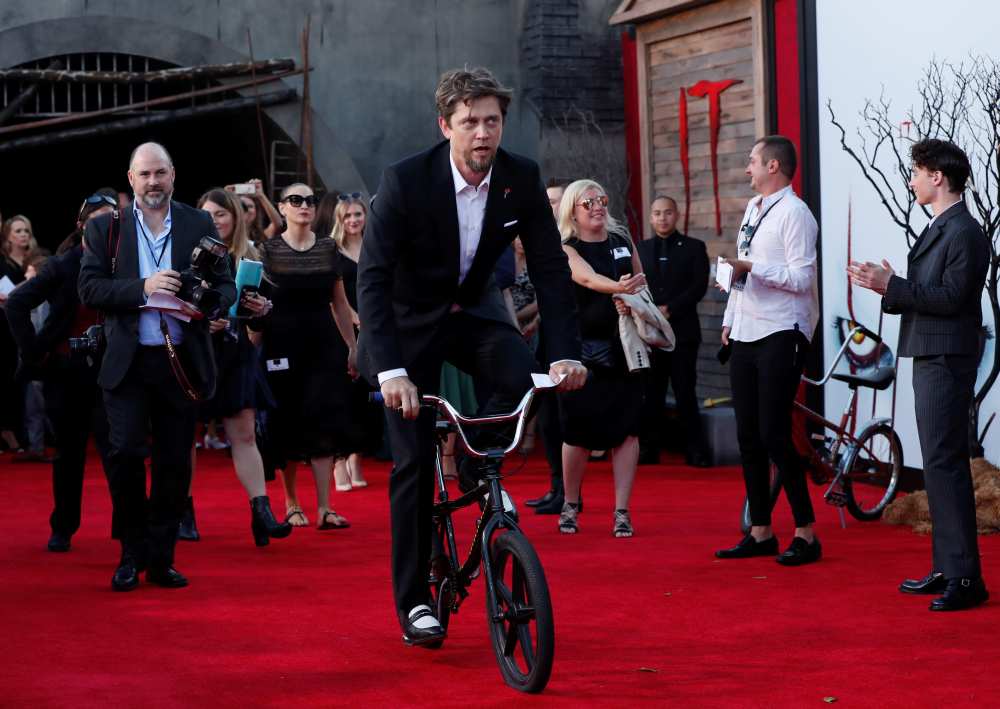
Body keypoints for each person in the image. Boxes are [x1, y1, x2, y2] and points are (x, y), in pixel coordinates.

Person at [357, 66, 586, 647]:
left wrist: (564, 356)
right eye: (470, 123)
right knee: (410, 463)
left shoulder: (520, 178)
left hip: (474, 316)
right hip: (408, 330)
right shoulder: (406, 181)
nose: (483, 133)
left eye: (492, 121)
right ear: (446, 125)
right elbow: (373, 281)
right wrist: (391, 372)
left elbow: (553, 271)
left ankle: (480, 462)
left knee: (521, 374)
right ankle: (413, 604)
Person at [79, 142, 235, 591]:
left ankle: (162, 558)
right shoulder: (106, 229)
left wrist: (206, 302)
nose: (153, 182)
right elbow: (89, 289)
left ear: (173, 176)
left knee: (174, 465)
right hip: (127, 363)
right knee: (125, 453)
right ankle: (132, 550)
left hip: (181, 364)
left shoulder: (198, 222)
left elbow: (224, 285)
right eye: (144, 174)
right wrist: (143, 287)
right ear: (131, 179)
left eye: (160, 173)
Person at [849, 138, 990, 611]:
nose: (910, 180)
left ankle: (966, 578)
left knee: (945, 463)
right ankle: (949, 567)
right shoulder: (943, 228)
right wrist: (890, 287)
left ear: (937, 176)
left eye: (916, 171)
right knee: (937, 463)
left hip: (946, 357)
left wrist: (894, 285)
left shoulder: (963, 231)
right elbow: (930, 293)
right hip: (933, 354)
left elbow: (951, 299)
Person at [715, 135, 821, 566]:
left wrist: (752, 268)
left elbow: (801, 278)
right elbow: (743, 267)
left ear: (773, 166)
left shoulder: (796, 214)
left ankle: (807, 532)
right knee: (748, 436)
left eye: (752, 161)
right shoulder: (755, 208)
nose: (747, 169)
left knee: (774, 434)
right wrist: (729, 317)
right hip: (746, 329)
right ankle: (760, 530)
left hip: (782, 329)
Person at [6, 191, 117, 552]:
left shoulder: (129, 265)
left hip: (112, 373)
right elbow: (18, 303)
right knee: (68, 454)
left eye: (111, 219)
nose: (104, 226)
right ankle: (63, 526)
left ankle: (128, 530)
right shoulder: (62, 265)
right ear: (82, 225)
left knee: (119, 451)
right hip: (67, 373)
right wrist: (34, 352)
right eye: (97, 219)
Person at [252, 183, 358, 531]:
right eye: (295, 200)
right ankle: (291, 502)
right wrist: (250, 348)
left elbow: (340, 305)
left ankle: (326, 507)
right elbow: (255, 307)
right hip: (281, 344)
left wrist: (353, 348)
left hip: (323, 345)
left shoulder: (329, 248)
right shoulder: (268, 251)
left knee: (324, 418)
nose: (304, 206)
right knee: (286, 421)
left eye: (310, 200)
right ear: (281, 208)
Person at [195, 188, 292, 547]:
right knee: (184, 438)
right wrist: (203, 321)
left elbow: (257, 325)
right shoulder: (185, 256)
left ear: (235, 217)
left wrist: (261, 311)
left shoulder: (249, 257)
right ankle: (184, 513)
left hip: (236, 356)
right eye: (208, 214)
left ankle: (261, 512)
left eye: (221, 214)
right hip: (196, 356)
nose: (215, 220)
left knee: (245, 434)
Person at [555, 179, 646, 538]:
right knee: (576, 433)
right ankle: (570, 503)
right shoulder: (567, 248)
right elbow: (589, 280)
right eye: (587, 201)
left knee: (628, 430)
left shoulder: (622, 242)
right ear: (572, 213)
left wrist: (634, 300)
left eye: (602, 199)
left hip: (625, 349)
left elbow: (644, 283)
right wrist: (619, 288)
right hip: (582, 352)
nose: (597, 206)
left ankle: (622, 510)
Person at [636, 195, 710, 467]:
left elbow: (699, 286)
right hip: (650, 331)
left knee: (685, 392)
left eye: (667, 212)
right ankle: (648, 449)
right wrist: (651, 312)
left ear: (676, 215)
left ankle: (696, 451)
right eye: (657, 213)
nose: (662, 218)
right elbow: (634, 285)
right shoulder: (641, 249)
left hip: (683, 331)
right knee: (651, 394)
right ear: (651, 217)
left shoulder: (694, 247)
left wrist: (671, 308)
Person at [329, 192, 373, 491]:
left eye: (358, 214)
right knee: (341, 398)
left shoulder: (374, 247)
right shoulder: (332, 251)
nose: (354, 220)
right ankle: (338, 462)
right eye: (348, 216)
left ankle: (356, 458)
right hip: (341, 331)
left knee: (364, 399)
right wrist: (356, 319)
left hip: (373, 331)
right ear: (339, 220)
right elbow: (333, 299)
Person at [0, 215, 41, 453]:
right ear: (8, 236)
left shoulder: (35, 260)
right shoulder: (3, 263)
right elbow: (6, 299)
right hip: (6, 328)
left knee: (28, 381)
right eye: (18, 231)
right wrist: (29, 283)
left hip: (33, 325)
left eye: (26, 230)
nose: (24, 234)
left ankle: (28, 433)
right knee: (9, 379)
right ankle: (9, 430)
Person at [229, 178, 282, 245]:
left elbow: (278, 224)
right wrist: (226, 196)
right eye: (243, 206)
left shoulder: (262, 234)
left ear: (256, 212)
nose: (247, 210)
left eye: (250, 206)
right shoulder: (227, 233)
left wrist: (261, 196)